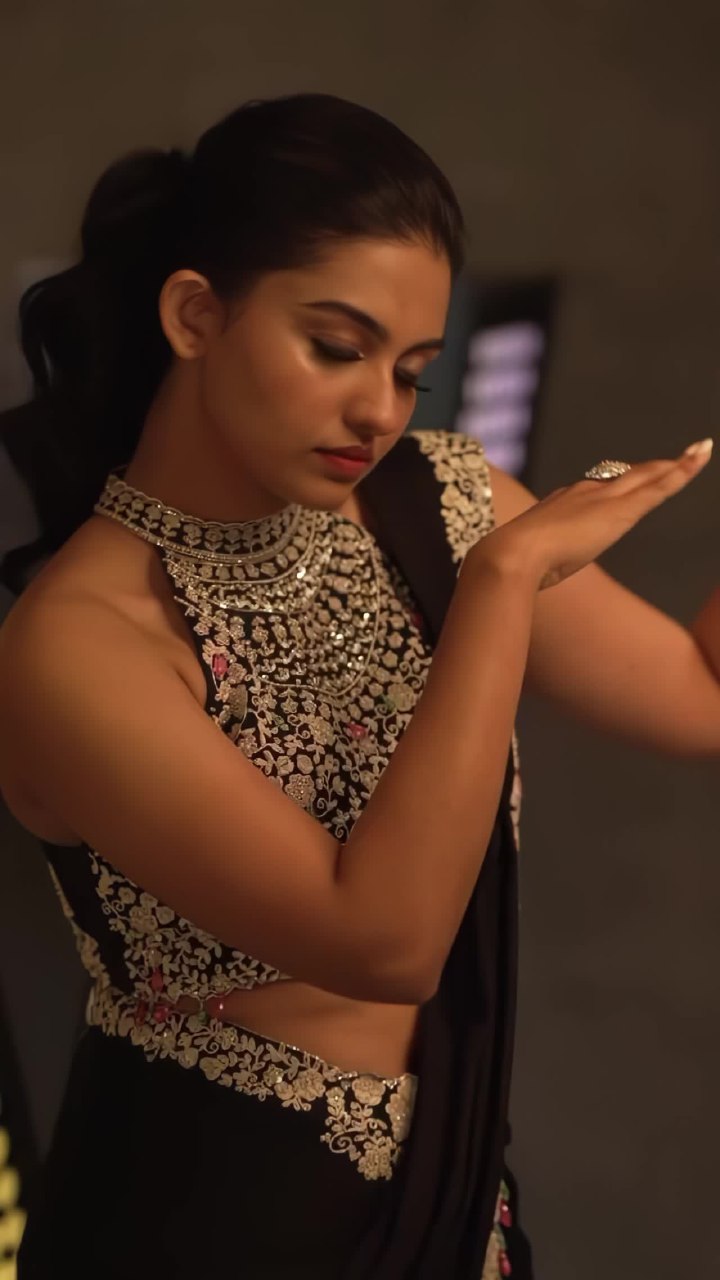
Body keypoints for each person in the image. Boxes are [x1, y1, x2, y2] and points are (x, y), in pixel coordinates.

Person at [0, 93, 717, 1280]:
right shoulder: (78, 645)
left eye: (413, 370)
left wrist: (497, 564)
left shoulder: (439, 502)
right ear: (195, 315)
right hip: (207, 1215)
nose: (380, 408)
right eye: (337, 346)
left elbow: (700, 693)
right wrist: (500, 586)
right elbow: (383, 941)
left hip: (450, 1197)